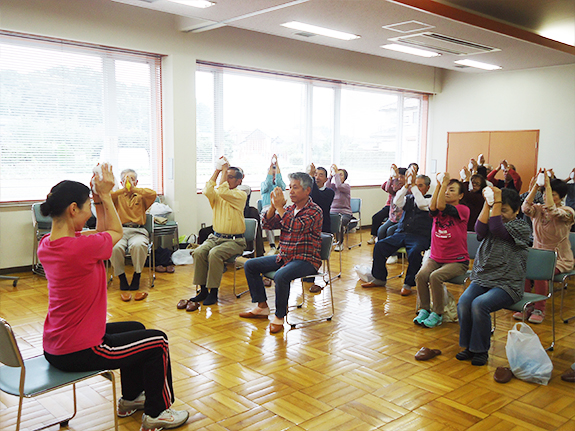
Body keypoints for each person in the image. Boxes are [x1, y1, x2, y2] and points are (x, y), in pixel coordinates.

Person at [37, 165, 188, 431]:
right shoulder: (79, 247)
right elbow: (115, 235)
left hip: (59, 344)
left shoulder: (49, 244)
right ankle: (157, 413)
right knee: (158, 342)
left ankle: (130, 399)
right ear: (73, 210)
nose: (89, 216)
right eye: (86, 209)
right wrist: (107, 196)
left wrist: (96, 198)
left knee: (137, 329)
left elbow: (101, 233)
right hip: (81, 349)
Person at [239, 172, 323, 334]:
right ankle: (262, 306)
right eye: (290, 187)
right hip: (285, 256)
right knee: (250, 265)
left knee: (280, 276)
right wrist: (272, 205)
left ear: (307, 191)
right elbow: (267, 224)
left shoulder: (315, 211)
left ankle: (279, 316)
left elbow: (295, 226)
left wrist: (279, 207)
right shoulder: (290, 209)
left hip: (306, 260)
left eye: (295, 187)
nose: (290, 191)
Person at [456, 187, 530, 366]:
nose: (499, 213)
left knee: (480, 304)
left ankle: (480, 350)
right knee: (465, 302)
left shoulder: (521, 227)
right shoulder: (492, 220)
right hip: (484, 279)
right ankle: (469, 347)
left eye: (504, 210)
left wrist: (496, 201)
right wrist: (488, 203)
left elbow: (497, 228)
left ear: (516, 211)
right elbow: (479, 228)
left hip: (507, 284)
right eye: (498, 209)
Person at [177, 157, 247, 310]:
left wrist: (223, 171)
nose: (226, 179)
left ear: (239, 180)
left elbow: (222, 190)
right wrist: (217, 170)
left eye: (230, 176)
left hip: (235, 241)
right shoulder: (219, 194)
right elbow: (208, 190)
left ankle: (213, 292)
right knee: (199, 252)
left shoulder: (240, 195)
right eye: (225, 175)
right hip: (215, 237)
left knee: (214, 254)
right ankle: (202, 290)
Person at [361, 172, 432, 296]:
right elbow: (397, 201)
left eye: (420, 186)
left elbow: (421, 204)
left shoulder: (431, 200)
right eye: (415, 185)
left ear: (427, 188)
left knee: (415, 252)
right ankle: (379, 278)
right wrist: (406, 186)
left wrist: (413, 187)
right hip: (402, 233)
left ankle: (408, 284)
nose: (416, 188)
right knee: (379, 246)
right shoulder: (409, 198)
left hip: (420, 236)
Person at [517, 170, 574, 323]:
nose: (547, 196)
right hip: (538, 254)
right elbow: (525, 208)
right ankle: (527, 305)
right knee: (524, 270)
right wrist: (536, 187)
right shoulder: (539, 210)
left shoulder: (567, 212)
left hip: (559, 259)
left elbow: (553, 211)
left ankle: (540, 309)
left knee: (539, 272)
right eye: (548, 193)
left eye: (553, 194)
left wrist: (548, 186)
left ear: (561, 197)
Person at [414, 174, 469, 328]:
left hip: (457, 261)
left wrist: (443, 183)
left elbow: (441, 206)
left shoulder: (463, 210)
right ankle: (425, 309)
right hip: (436, 258)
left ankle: (437, 313)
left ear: (460, 195)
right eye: (446, 189)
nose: (447, 192)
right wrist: (439, 185)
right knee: (421, 276)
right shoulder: (437, 210)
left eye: (452, 190)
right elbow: (433, 207)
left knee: (435, 277)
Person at [110, 169, 157, 291]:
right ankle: (121, 277)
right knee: (114, 247)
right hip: (120, 231)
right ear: (121, 182)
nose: (129, 182)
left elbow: (153, 194)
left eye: (131, 179)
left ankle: (137, 275)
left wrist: (133, 189)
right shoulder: (117, 196)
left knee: (139, 245)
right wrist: (124, 189)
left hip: (138, 231)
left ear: (136, 182)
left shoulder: (142, 196)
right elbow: (106, 197)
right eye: (126, 179)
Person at [367, 164, 406, 245]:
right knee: (381, 230)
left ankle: (393, 254)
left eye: (402, 177)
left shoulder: (406, 189)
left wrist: (395, 179)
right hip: (393, 217)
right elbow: (387, 188)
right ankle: (380, 249)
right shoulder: (394, 187)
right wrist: (391, 177)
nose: (399, 179)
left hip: (402, 219)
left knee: (390, 231)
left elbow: (396, 188)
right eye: (398, 177)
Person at [260, 154, 286, 254]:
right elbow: (268, 183)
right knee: (267, 217)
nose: (273, 176)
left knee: (286, 217)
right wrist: (271, 167)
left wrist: (277, 166)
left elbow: (280, 183)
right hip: (267, 207)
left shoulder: (280, 184)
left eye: (275, 174)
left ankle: (281, 245)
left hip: (280, 208)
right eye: (272, 174)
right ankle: (272, 246)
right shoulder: (264, 184)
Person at [327, 164, 352, 251]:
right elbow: (326, 187)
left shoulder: (346, 186)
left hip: (345, 213)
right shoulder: (333, 187)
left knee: (339, 222)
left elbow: (339, 186)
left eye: (340, 175)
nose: (338, 176)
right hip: (333, 211)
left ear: (345, 178)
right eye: (337, 174)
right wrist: (330, 176)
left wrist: (336, 173)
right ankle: (327, 243)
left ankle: (340, 243)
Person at [307, 163, 335, 234]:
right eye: (315, 174)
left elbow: (316, 198)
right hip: (308, 226)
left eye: (321, 175)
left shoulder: (329, 192)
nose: (317, 177)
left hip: (322, 227)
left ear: (326, 179)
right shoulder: (307, 191)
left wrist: (311, 177)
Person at [461, 166, 487, 231]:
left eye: (477, 184)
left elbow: (464, 194)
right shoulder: (471, 193)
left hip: (473, 226)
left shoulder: (480, 197)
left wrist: (467, 179)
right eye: (472, 183)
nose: (474, 185)